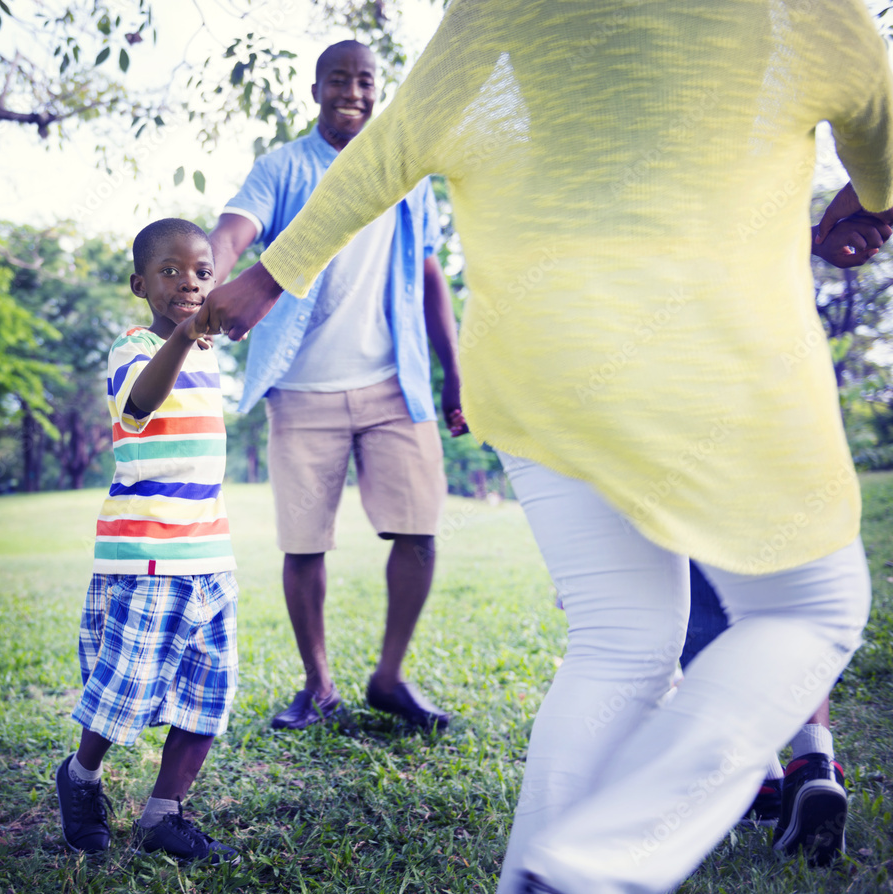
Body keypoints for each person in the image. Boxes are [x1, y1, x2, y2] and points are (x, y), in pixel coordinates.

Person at [202, 2, 893, 893]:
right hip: (700, 354)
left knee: (622, 641)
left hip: (538, 363)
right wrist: (869, 202)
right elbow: (882, 155)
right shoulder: (805, 11)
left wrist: (267, 278)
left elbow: (391, 148)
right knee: (815, 606)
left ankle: (535, 879)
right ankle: (604, 858)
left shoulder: (496, 9)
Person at [207, 40, 465, 733]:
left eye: (365, 80)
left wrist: (453, 372)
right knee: (304, 543)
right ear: (316, 89)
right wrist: (211, 271)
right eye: (339, 80)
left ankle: (389, 678)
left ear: (378, 89)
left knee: (418, 532)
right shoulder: (284, 166)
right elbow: (237, 229)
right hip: (302, 389)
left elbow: (432, 277)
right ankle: (318, 685)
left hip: (395, 383)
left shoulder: (406, 175)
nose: (353, 91)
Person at [678, 212, 893, 863]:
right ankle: (809, 765)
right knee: (788, 601)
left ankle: (762, 774)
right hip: (776, 396)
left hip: (681, 398)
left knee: (698, 601)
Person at [55, 218, 239, 865]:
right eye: (170, 271)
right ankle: (80, 778)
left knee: (208, 692)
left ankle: (164, 814)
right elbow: (138, 406)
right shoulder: (132, 348)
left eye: (200, 271)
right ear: (140, 284)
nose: (187, 281)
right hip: (146, 555)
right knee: (123, 688)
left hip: (210, 554)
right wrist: (185, 336)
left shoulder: (213, 353)